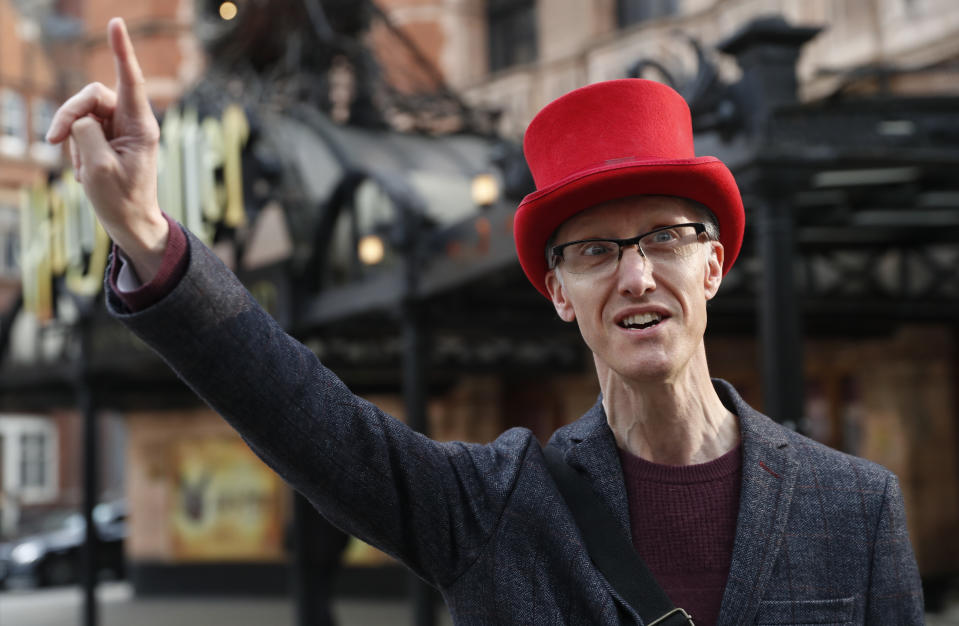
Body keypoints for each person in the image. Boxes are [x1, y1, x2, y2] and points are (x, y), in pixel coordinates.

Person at [48, 18, 923, 625]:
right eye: (592, 253)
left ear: (713, 263)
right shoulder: (499, 508)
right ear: (557, 293)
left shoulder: (853, 507)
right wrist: (149, 238)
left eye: (663, 237)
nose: (634, 274)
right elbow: (305, 415)